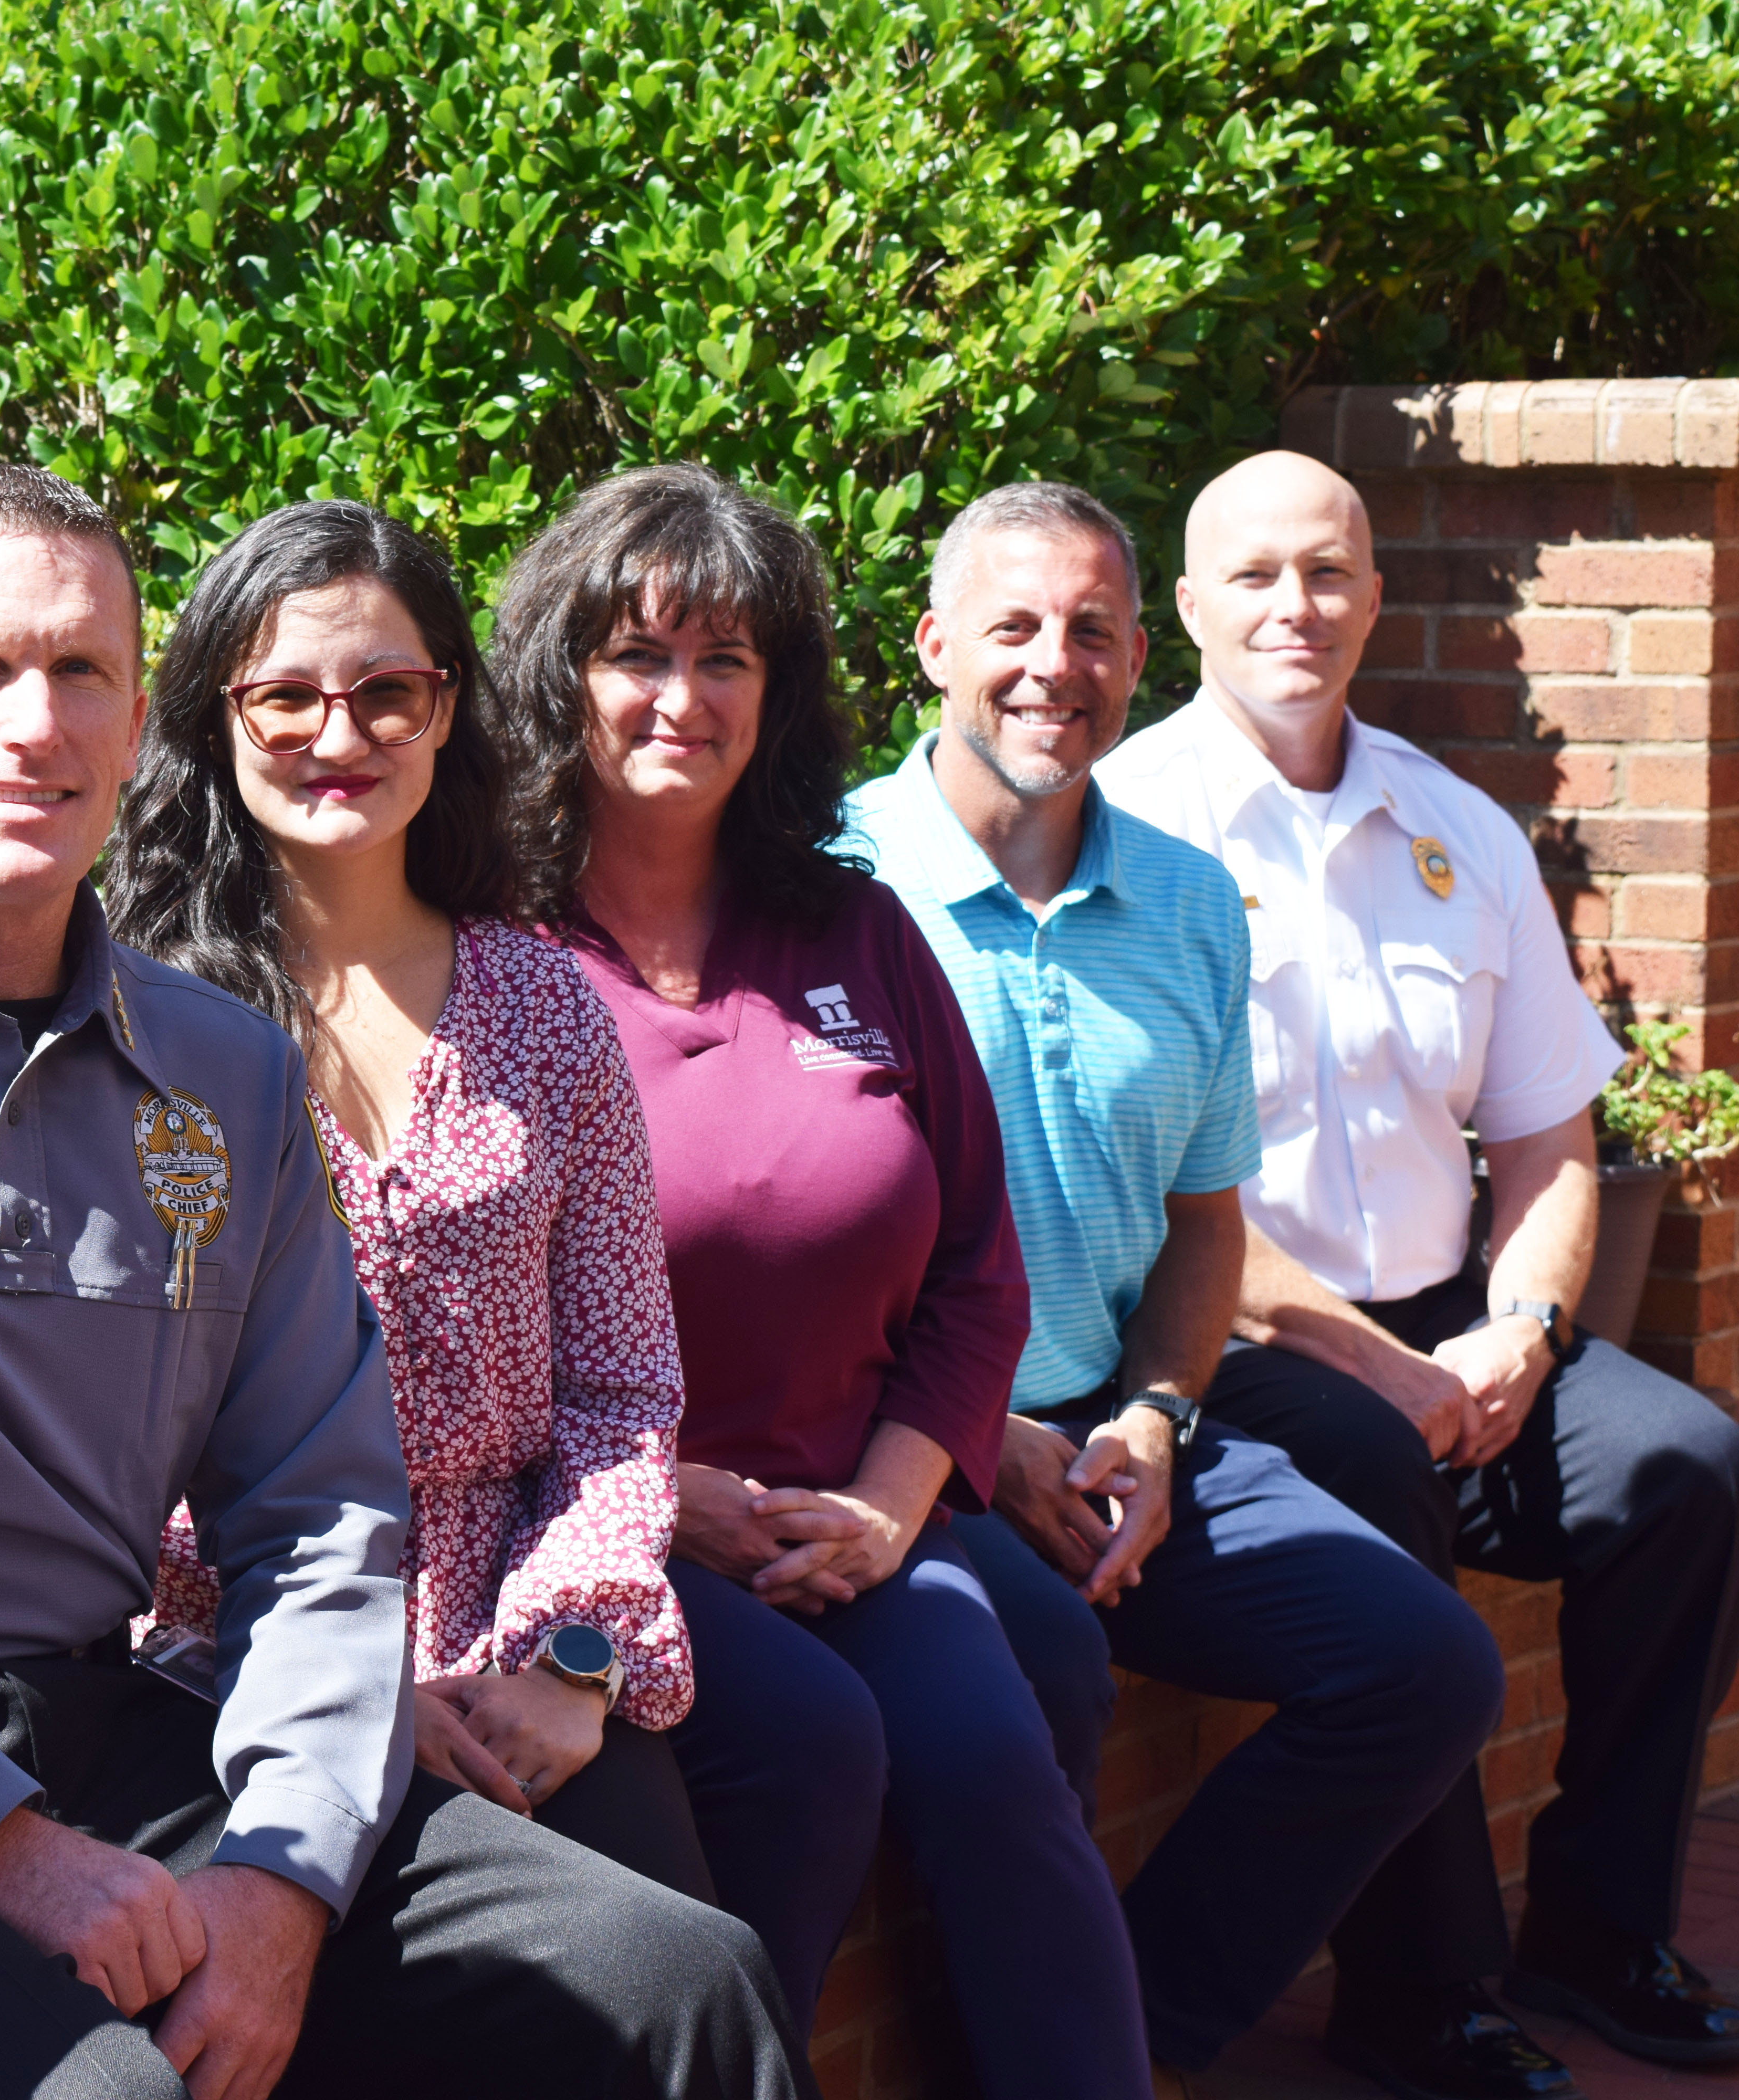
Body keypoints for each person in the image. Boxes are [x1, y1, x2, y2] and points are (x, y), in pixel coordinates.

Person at [0, 463, 801, 2100]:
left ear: (133, 718)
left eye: (81, 670)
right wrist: (4, 1844)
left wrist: (283, 1876)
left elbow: (318, 1510)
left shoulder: (223, 1074)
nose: (33, 721)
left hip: (128, 1730)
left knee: (679, 1977)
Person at [1095, 448, 1739, 2091]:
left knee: (1689, 1470)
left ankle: (1599, 1934)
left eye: (1327, 573)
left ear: (1377, 599)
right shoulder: (1128, 836)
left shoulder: (1454, 826)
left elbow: (1546, 1136)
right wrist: (1386, 1370)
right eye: (1252, 575)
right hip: (1243, 1343)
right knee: (1383, 1475)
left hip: (1459, 1330)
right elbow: (1161, 1192)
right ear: (1188, 609)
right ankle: (1424, 1987)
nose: (1294, 608)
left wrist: (1527, 1332)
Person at [842, 479, 1510, 2090]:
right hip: (908, 1446)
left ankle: (1118, 2030)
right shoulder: (837, 884)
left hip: (1119, 1436)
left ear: (1141, 655)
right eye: (1012, 627)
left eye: (1090, 630)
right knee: (1043, 1674)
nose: (1051, 665)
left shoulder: (1193, 903)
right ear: (935, 645)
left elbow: (1207, 1225)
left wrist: (1150, 1420)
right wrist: (978, 1435)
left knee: (1426, 1671)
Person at [489, 462, 1148, 2094]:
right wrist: (663, 1505)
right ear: (561, 674)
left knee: (1002, 1748)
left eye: (729, 661)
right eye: (638, 654)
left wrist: (888, 1509)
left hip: (856, 1516)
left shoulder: (856, 930)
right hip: (603, 1526)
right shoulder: (486, 952)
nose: (682, 699)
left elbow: (980, 1271)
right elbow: (449, 1310)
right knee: (813, 1758)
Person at [109, 497, 773, 1926]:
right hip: (236, 1661)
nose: (340, 737)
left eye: (388, 694)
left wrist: (573, 1661)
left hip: (517, 1636)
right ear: (215, 715)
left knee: (685, 1976)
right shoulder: (134, 1027)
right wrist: (343, 1682)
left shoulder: (543, 1009)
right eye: (286, 693)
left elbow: (619, 1389)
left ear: (447, 712)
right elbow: (110, 1440)